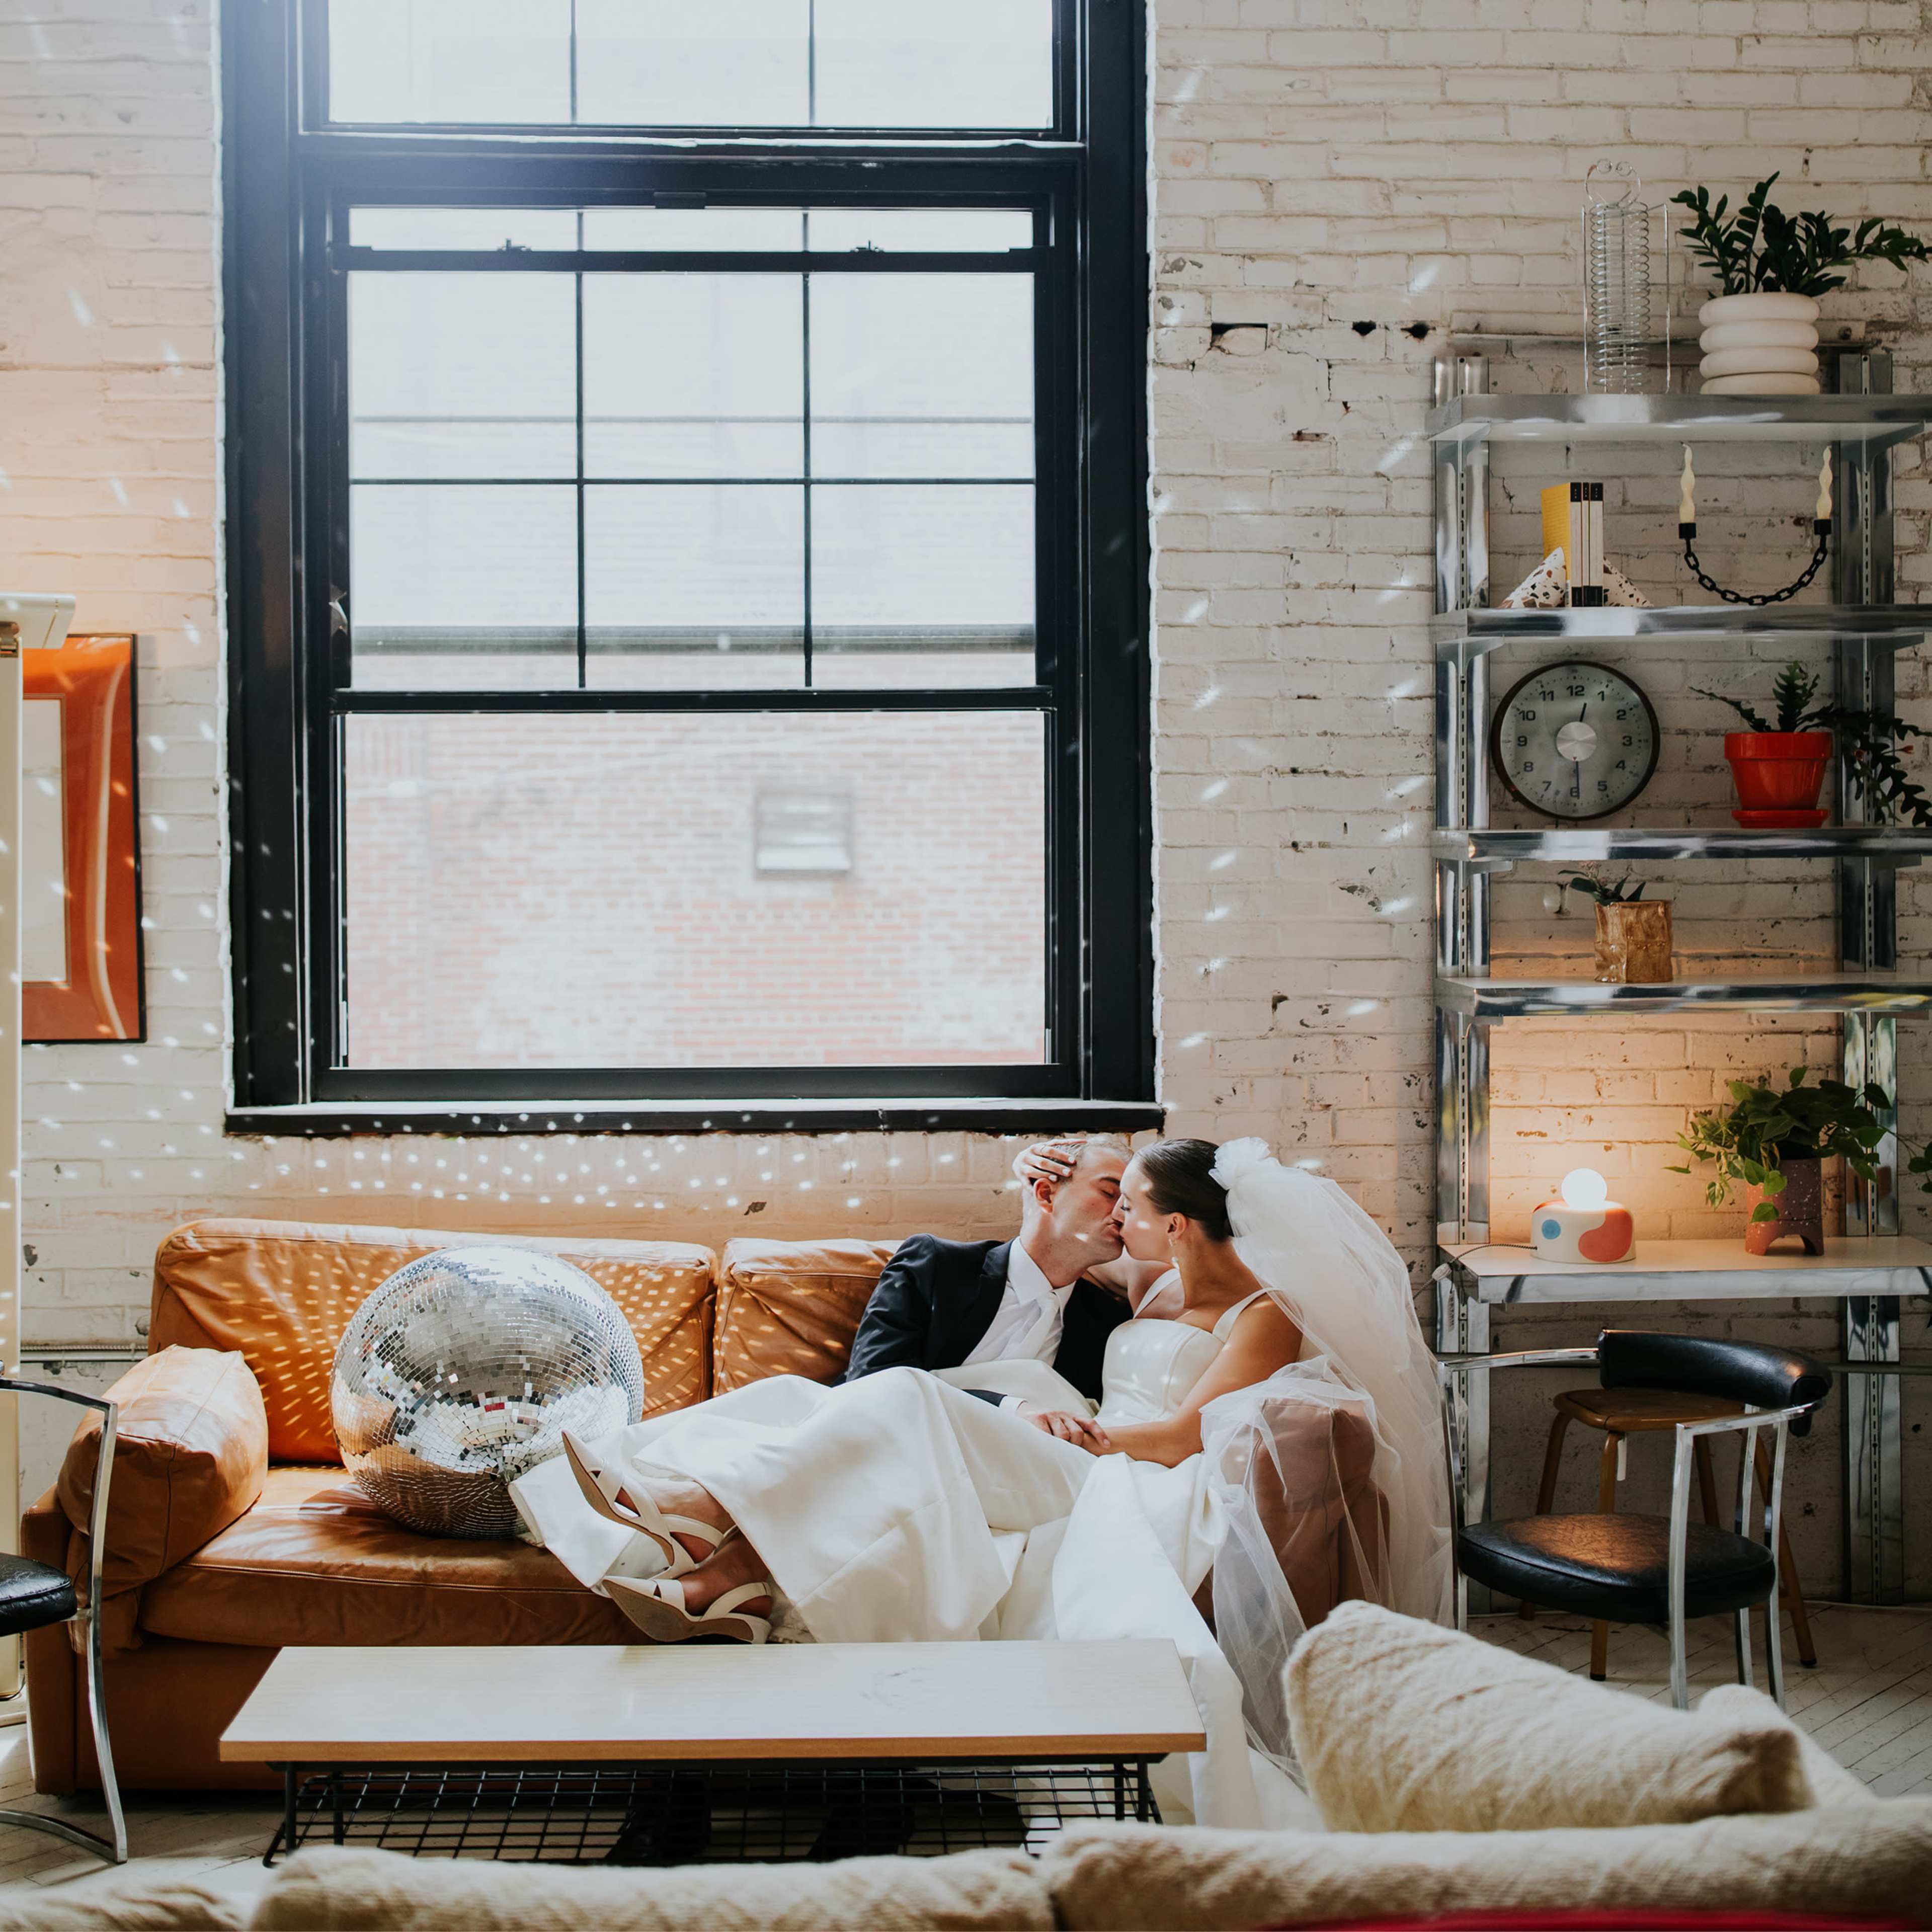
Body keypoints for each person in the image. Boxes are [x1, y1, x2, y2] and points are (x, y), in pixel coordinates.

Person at [511, 1136, 1452, 1827]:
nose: (1116, 1217)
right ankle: (721, 1565)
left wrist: (1081, 1428)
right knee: (844, 1402)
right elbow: (1041, 1306)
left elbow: (1180, 1431)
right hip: (1076, 1447)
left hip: (1134, 1474)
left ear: (1172, 1222)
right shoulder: (1150, 1290)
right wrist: (1040, 1225)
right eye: (1108, 1196)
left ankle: (701, 1517)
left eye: (1128, 1203)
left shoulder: (1265, 1313)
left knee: (912, 1402)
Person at [839, 1139, 1135, 1444]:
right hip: (877, 1441)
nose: (1123, 1213)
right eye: (1109, 1193)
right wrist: (1008, 1408)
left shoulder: (1108, 1323)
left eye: (1131, 1205)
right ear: (1046, 1194)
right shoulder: (936, 1264)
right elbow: (871, 1382)